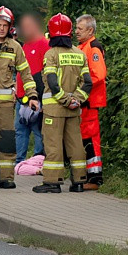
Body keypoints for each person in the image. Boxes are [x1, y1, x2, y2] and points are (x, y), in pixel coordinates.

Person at [0, 7, 40, 189]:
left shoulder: (15, 47)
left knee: (6, 139)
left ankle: (6, 178)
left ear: (10, 27)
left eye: (5, 25)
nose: (2, 29)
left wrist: (32, 95)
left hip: (4, 102)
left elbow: (25, 73)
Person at [34, 13, 93, 194]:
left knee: (53, 145)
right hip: (74, 110)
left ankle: (53, 181)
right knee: (75, 145)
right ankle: (79, 181)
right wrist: (76, 99)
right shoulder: (79, 54)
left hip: (55, 109)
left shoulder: (51, 54)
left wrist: (66, 100)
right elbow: (88, 82)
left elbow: (52, 83)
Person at [75, 14, 106, 190]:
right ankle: (89, 176)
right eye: (76, 28)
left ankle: (95, 179)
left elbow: (98, 75)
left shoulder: (93, 48)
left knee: (91, 140)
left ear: (90, 30)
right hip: (85, 102)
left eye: (80, 28)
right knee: (85, 138)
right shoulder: (83, 47)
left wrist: (81, 91)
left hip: (90, 102)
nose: (76, 31)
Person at [14, 12, 49, 163]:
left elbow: (45, 73)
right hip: (21, 97)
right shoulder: (24, 46)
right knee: (20, 131)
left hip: (35, 97)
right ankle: (19, 161)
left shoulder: (44, 44)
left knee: (38, 131)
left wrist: (39, 97)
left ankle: (38, 160)